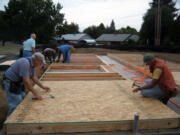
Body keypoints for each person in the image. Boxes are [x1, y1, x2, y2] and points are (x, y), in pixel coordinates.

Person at [2, 52, 50, 117]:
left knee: (23, 97)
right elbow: (26, 81)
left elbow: (34, 77)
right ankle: (9, 124)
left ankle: (20, 117)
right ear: (36, 60)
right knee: (15, 104)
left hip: (17, 83)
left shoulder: (32, 64)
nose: (41, 64)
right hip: (10, 82)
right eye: (40, 62)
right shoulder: (25, 63)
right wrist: (36, 94)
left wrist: (43, 87)